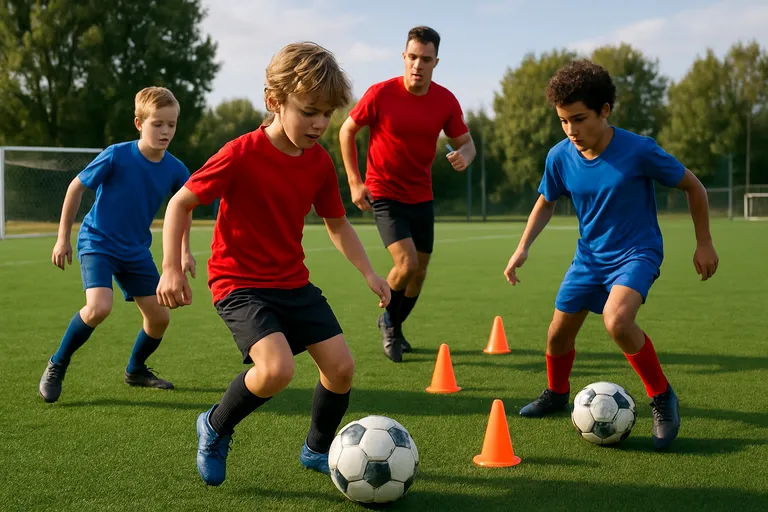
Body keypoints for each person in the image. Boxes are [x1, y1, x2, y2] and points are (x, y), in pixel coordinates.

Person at [156, 42, 391, 487]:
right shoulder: (240, 153)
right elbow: (180, 203)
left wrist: (370, 273)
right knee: (276, 370)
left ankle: (316, 451)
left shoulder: (320, 163)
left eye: (327, 113)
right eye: (309, 111)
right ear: (274, 102)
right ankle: (214, 426)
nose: (320, 123)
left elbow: (337, 224)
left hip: (291, 282)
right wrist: (170, 266)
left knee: (340, 368)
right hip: (238, 283)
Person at [504, 60, 719, 450]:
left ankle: (662, 397)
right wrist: (523, 247)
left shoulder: (639, 150)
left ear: (605, 110)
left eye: (580, 119)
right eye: (564, 121)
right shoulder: (560, 156)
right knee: (557, 335)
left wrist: (703, 241)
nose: (572, 131)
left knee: (617, 320)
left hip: (637, 252)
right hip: (588, 260)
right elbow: (546, 201)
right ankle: (555, 394)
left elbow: (695, 188)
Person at [39, 86, 194, 403]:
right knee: (98, 308)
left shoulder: (177, 169)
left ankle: (135, 370)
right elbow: (75, 189)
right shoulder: (116, 155)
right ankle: (57, 363)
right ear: (139, 123)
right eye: (157, 124)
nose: (165, 131)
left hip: (135, 250)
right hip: (98, 241)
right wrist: (62, 239)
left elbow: (185, 207)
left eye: (171, 125)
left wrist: (184, 251)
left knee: (160, 318)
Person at [339, 26, 476, 363]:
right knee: (407, 262)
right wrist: (355, 182)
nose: (418, 64)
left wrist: (466, 157)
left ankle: (396, 325)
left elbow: (467, 143)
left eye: (425, 59)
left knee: (420, 273)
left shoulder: (445, 100)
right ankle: (388, 322)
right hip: (385, 193)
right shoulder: (380, 94)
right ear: (404, 57)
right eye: (412, 57)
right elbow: (346, 130)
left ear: (435, 62)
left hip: (421, 196)